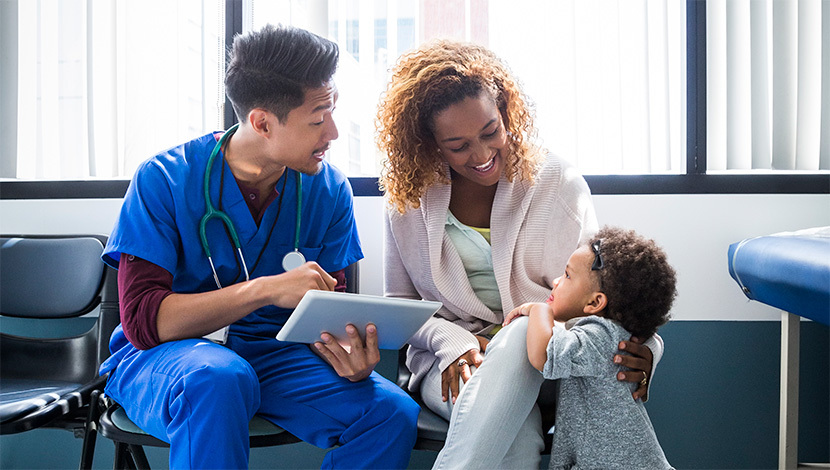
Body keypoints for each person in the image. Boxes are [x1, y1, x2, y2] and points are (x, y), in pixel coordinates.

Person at [98, 24, 419, 469]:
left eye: (333, 111)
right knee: (218, 378)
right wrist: (266, 290)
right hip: (170, 359)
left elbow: (329, 311)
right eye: (318, 118)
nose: (334, 132)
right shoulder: (163, 180)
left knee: (390, 412)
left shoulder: (328, 190)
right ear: (263, 123)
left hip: (276, 355)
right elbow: (144, 323)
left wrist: (348, 353)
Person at [376, 39, 664, 469]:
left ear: (506, 112)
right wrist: (450, 340)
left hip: (553, 361)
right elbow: (401, 308)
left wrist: (651, 348)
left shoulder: (559, 184)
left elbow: (604, 291)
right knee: (516, 437)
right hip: (455, 360)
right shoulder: (408, 199)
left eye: (491, 132)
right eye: (458, 145)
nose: (482, 155)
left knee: (516, 333)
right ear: (430, 143)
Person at [503, 226, 676, 469]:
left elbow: (543, 354)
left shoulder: (599, 335)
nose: (555, 281)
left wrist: (539, 310)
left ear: (595, 302)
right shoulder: (612, 334)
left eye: (567, 275)